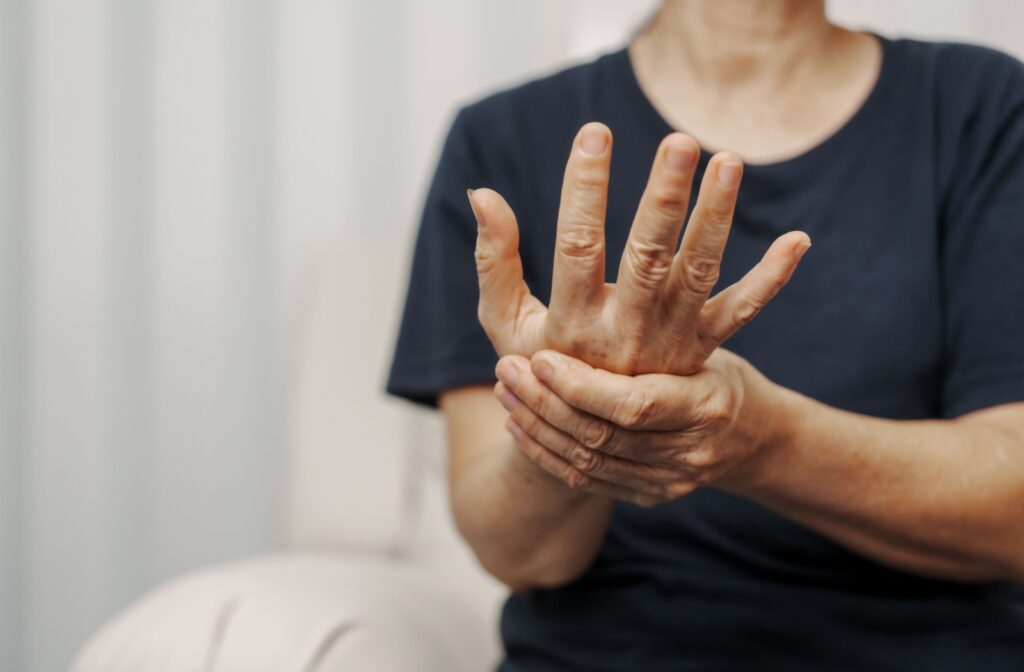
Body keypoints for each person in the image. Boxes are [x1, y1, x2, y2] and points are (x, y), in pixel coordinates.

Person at [387, 0, 1024, 669]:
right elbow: (519, 554)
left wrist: (763, 440)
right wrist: (573, 420)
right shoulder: (502, 137)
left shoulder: (985, 111)